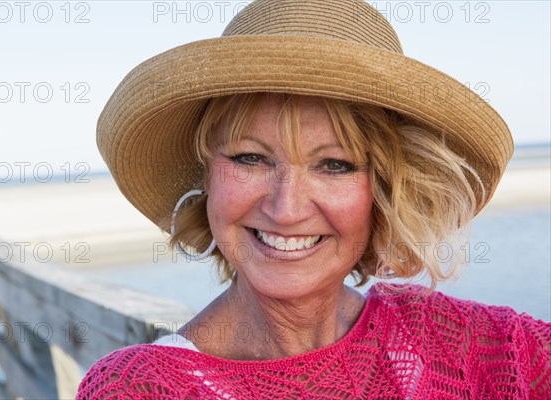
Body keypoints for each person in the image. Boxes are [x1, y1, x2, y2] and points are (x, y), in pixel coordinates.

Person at [77, 0, 550, 398]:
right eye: (249, 158)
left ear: (384, 193)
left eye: (335, 165)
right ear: (207, 177)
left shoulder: (476, 347)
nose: (287, 209)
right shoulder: (140, 389)